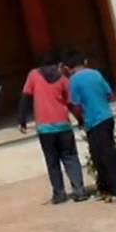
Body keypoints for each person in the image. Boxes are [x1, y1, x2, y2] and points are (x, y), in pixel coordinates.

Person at [18, 53, 88, 204]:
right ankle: (79, 190)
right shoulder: (62, 78)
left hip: (45, 129)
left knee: (52, 162)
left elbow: (25, 97)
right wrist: (80, 119)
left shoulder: (33, 75)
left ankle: (59, 194)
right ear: (57, 64)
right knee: (70, 157)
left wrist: (22, 121)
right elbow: (71, 103)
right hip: (63, 126)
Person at [63, 52, 116, 203]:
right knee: (103, 154)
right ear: (85, 62)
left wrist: (80, 119)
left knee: (103, 157)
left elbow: (75, 105)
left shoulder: (73, 81)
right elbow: (109, 94)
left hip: (94, 122)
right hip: (107, 117)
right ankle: (106, 188)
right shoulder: (96, 74)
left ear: (68, 68)